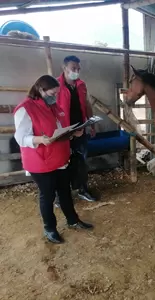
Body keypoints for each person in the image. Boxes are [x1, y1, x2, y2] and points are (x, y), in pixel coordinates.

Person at [13, 75, 93, 243]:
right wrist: (40, 140)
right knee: (47, 195)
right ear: (41, 90)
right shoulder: (26, 108)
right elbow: (21, 138)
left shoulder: (54, 106)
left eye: (57, 93)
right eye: (52, 93)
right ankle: (50, 228)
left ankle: (73, 220)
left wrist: (72, 133)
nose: (55, 97)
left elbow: (59, 130)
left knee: (65, 191)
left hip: (59, 158)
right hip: (40, 161)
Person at [55, 55, 97, 206]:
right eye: (73, 68)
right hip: (63, 133)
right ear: (64, 68)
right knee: (62, 164)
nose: (76, 72)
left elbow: (86, 104)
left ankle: (83, 190)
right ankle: (60, 196)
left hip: (81, 129)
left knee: (82, 162)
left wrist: (91, 124)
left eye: (78, 69)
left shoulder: (81, 85)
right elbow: (51, 111)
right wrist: (64, 132)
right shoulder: (56, 86)